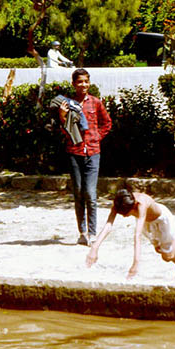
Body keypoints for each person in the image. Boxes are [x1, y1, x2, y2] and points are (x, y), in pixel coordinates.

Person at [86, 189, 175, 283]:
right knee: (162, 253)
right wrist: (94, 248)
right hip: (148, 223)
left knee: (168, 255)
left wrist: (136, 263)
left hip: (162, 219)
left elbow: (137, 235)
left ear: (134, 206)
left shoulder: (141, 204)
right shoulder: (119, 201)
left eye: (127, 214)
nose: (124, 217)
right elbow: (108, 225)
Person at [59, 68, 112, 246]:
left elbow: (107, 123)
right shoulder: (67, 104)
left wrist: (97, 137)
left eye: (86, 81)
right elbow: (63, 130)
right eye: (79, 82)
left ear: (89, 83)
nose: (83, 85)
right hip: (74, 152)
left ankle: (93, 233)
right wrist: (62, 116)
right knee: (79, 193)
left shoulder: (95, 103)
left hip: (93, 152)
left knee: (91, 193)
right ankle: (82, 232)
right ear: (74, 84)